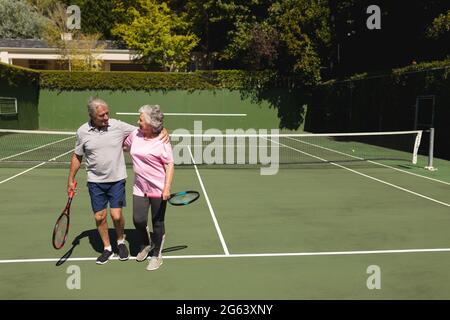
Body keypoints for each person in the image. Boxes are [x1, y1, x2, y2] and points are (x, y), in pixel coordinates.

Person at [67, 97, 169, 265]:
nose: (106, 117)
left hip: (117, 180)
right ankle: (107, 248)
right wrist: (71, 179)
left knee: (116, 215)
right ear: (92, 115)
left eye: (107, 113)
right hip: (95, 181)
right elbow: (77, 156)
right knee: (100, 217)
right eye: (102, 115)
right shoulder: (82, 132)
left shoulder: (117, 126)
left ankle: (120, 242)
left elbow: (145, 128)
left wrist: (163, 130)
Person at [123, 105, 174, 271]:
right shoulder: (135, 134)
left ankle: (157, 255)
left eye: (141, 119)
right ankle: (146, 244)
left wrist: (167, 188)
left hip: (158, 189)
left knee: (157, 223)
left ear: (151, 124)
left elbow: (169, 164)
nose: (138, 121)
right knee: (138, 219)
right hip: (139, 187)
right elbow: (124, 145)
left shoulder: (162, 141)